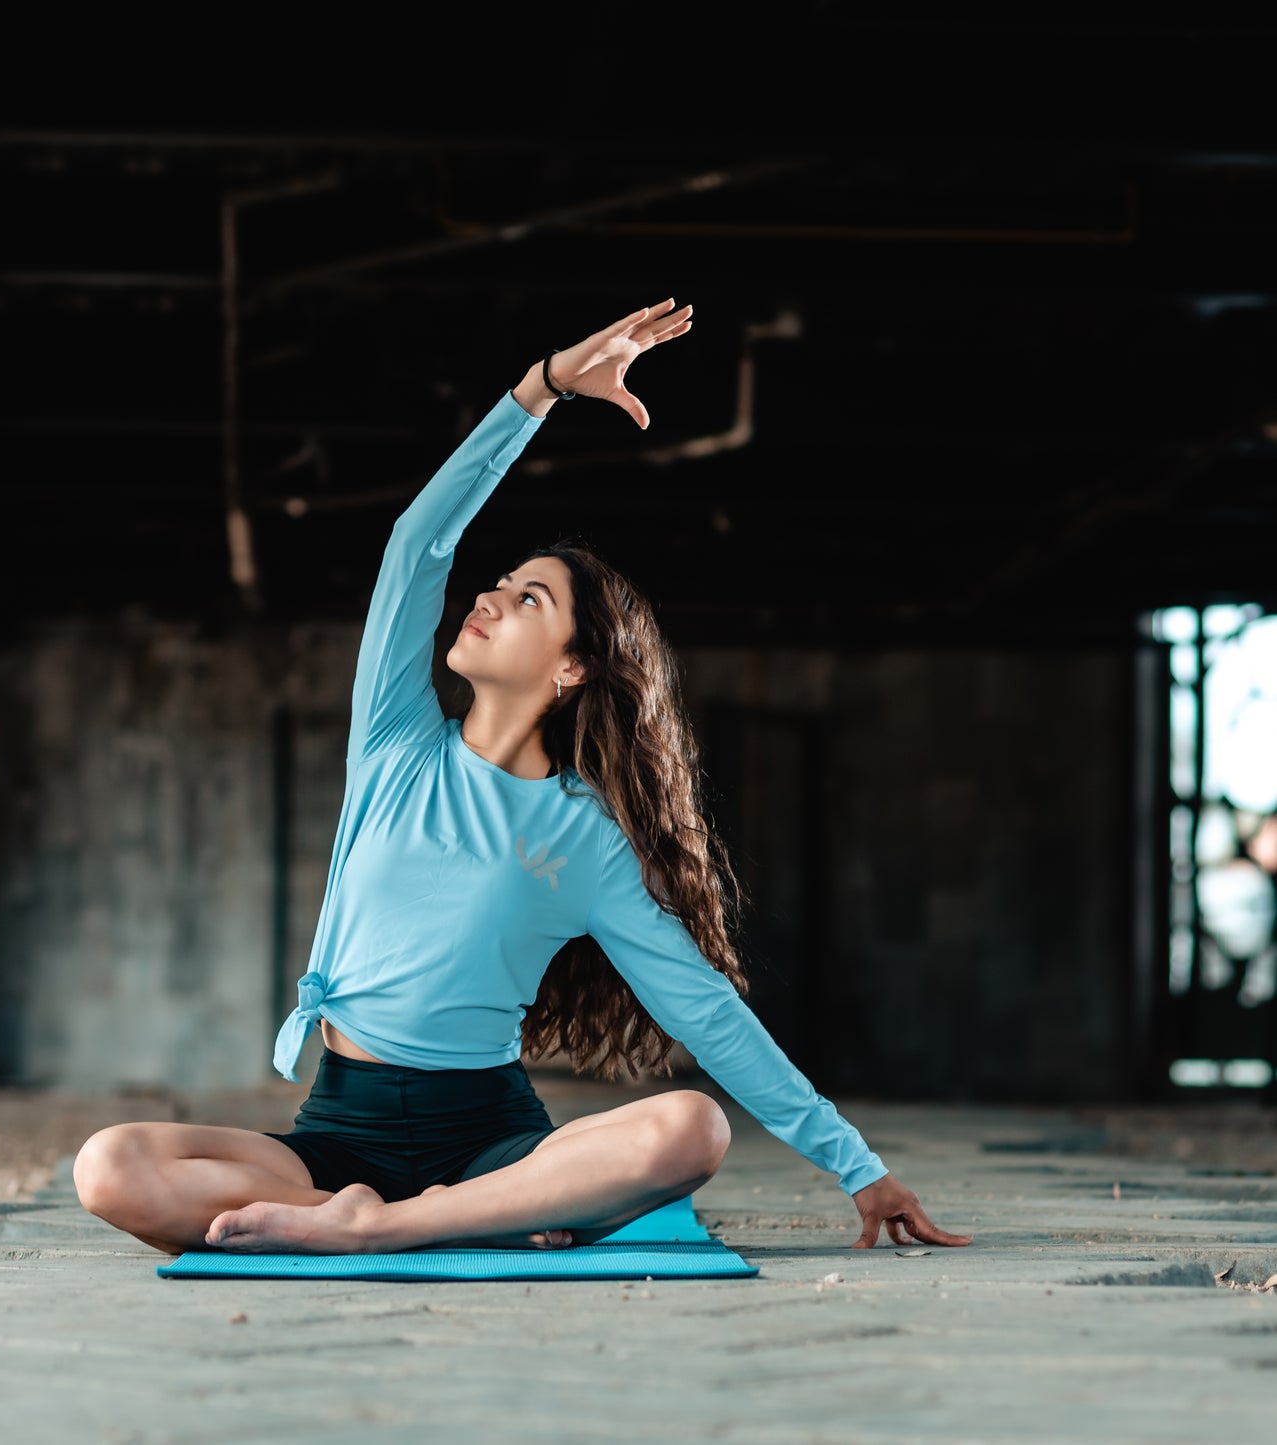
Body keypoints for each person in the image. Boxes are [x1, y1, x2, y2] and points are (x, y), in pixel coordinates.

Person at [73, 299, 972, 1257]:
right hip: (335, 1131)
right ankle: (406, 1218)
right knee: (109, 1166)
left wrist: (857, 1167)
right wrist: (539, 390)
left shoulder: (583, 835)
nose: (491, 598)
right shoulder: (394, 741)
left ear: (573, 666)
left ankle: (383, 1227)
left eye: (528, 597)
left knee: (691, 1130)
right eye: (499, 582)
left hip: (490, 1140)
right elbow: (416, 543)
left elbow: (703, 1010)